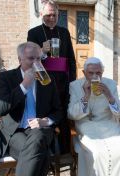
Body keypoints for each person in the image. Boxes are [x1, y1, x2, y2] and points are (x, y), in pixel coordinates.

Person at [0, 42, 62, 176]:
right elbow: (0, 109)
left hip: (41, 129)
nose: (36, 63)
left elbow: (58, 111)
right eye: (31, 59)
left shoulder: (47, 80)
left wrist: (45, 121)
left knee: (37, 137)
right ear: (20, 60)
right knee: (39, 154)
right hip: (16, 132)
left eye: (39, 58)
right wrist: (24, 85)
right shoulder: (7, 78)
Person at [68, 57, 120, 176]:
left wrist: (109, 95)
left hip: (109, 124)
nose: (95, 76)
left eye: (98, 73)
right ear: (84, 73)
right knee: (96, 152)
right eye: (91, 73)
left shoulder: (111, 84)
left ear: (102, 72)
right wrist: (86, 96)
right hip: (86, 125)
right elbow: (71, 114)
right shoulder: (74, 85)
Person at [27, 0, 76, 153]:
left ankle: (65, 150)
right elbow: (29, 59)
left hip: (62, 82)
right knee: (46, 116)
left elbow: (71, 59)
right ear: (41, 14)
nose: (51, 18)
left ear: (58, 14)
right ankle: (47, 153)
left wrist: (72, 82)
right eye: (48, 15)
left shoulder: (64, 32)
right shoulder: (33, 33)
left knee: (63, 115)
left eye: (54, 15)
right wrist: (41, 51)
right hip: (44, 82)